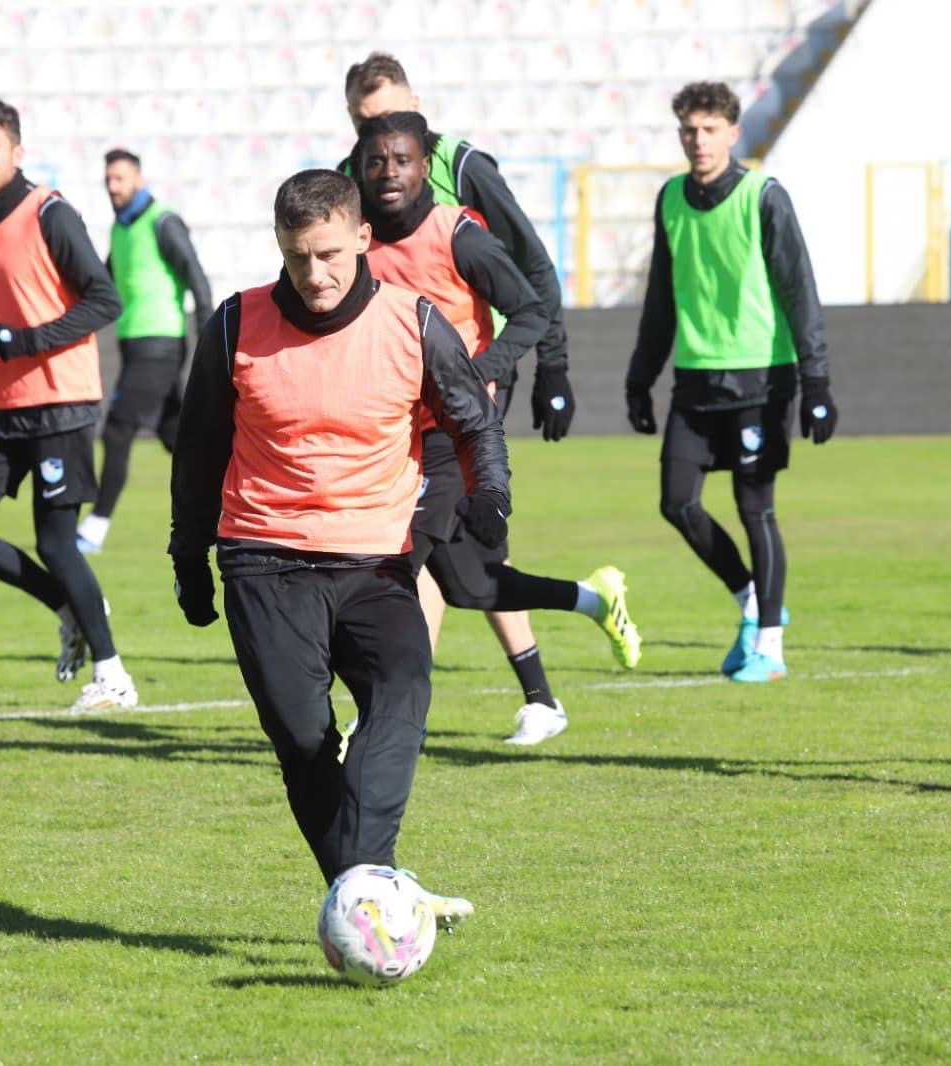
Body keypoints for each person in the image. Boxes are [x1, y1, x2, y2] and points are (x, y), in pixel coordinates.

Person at [168, 169, 496, 920]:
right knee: (304, 741)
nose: (314, 274)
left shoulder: (414, 320)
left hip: (377, 563)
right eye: (296, 257)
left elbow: (474, 422)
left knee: (401, 693)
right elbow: (199, 448)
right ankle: (373, 888)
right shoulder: (234, 324)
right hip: (264, 559)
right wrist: (189, 556)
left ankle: (368, 888)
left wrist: (491, 497)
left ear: (362, 238)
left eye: (328, 255)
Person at [355, 112, 639, 745]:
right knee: (470, 583)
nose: (388, 172)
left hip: (455, 433)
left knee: (393, 562)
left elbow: (532, 308)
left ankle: (382, 719)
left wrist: (479, 372)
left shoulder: (458, 234)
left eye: (401, 160)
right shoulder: (356, 241)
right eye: (376, 161)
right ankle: (592, 602)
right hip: (394, 432)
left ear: (424, 167)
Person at [340, 52, 580, 737]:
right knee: (462, 565)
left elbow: (531, 267)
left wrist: (553, 368)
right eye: (366, 124)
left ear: (417, 109)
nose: (383, 144)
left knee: (413, 544)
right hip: (397, 404)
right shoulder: (355, 182)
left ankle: (392, 712)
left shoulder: (465, 169)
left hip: (468, 394)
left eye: (391, 118)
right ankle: (540, 690)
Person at [625, 81, 835, 684]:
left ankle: (770, 645)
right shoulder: (670, 199)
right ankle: (752, 600)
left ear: (733, 133)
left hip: (762, 379)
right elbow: (660, 296)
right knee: (676, 502)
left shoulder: (764, 197)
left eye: (709, 129)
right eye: (689, 130)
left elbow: (800, 291)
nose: (698, 140)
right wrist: (641, 377)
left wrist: (817, 383)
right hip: (696, 379)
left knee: (754, 509)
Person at [0, 98, 135, 712]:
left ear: (17, 153)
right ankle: (67, 606)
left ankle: (114, 677)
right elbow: (10, 310)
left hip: (60, 403)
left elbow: (105, 301)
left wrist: (25, 342)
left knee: (56, 545)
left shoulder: (50, 213)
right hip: (2, 407)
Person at [76, 148, 212, 555]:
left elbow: (196, 278)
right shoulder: (120, 229)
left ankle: (96, 526)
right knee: (176, 434)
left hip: (160, 345)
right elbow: (101, 283)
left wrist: (208, 337)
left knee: (118, 430)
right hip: (136, 347)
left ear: (139, 178)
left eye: (120, 178)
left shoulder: (163, 221)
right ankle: (226, 503)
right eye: (108, 180)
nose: (113, 186)